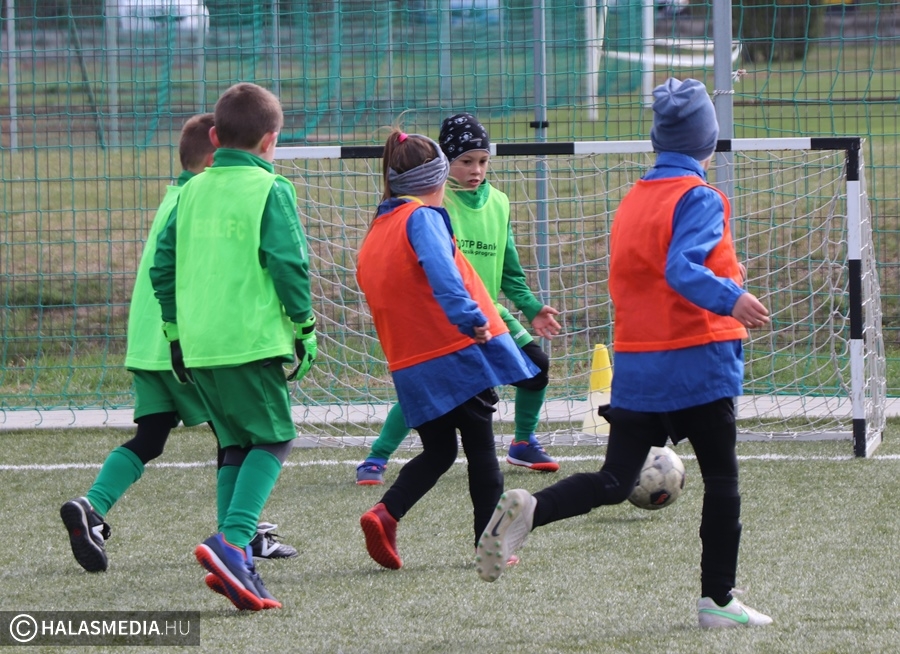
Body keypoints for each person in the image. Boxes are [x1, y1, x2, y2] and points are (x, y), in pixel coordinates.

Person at [475, 78, 774, 629]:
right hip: (698, 359)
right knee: (723, 480)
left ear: (658, 140)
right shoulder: (701, 196)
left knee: (615, 481)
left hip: (638, 363)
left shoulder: (635, 199)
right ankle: (718, 601)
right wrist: (731, 296)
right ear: (707, 141)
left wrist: (726, 273)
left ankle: (534, 509)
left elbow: (646, 274)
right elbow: (681, 268)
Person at [59, 113, 295, 575]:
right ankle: (240, 537)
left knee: (151, 437)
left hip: (147, 342)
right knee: (239, 436)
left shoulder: (176, 197)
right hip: (185, 342)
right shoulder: (203, 198)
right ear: (214, 159)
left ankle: (92, 505)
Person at [151, 83, 316, 611]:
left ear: (216, 138)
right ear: (271, 140)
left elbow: (161, 267)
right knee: (275, 438)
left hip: (198, 346)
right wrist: (305, 325)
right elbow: (289, 263)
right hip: (249, 342)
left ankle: (234, 560)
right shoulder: (272, 189)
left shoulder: (190, 190)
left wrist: (175, 333)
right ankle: (234, 541)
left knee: (236, 445)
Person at [356, 129, 538, 569]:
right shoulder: (422, 218)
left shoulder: (378, 228)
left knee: (439, 451)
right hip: (454, 350)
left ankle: (386, 512)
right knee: (481, 450)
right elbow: (442, 271)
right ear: (438, 179)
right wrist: (469, 317)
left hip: (410, 361)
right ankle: (489, 544)